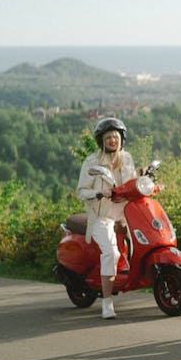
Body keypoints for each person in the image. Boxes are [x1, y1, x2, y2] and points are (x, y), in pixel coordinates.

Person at [75, 117, 137, 320]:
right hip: (102, 217)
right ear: (101, 140)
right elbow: (81, 191)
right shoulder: (91, 162)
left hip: (125, 214)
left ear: (121, 139)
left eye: (116, 136)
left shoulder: (127, 158)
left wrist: (145, 181)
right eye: (108, 137)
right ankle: (107, 301)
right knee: (111, 253)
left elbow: (132, 183)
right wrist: (97, 194)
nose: (112, 140)